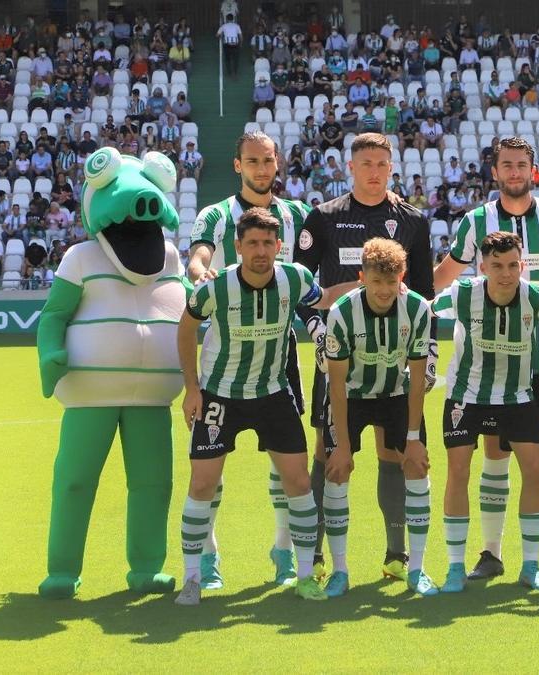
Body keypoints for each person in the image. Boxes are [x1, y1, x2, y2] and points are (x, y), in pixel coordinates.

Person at [432, 136, 539, 579]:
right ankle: (491, 552)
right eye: (506, 165)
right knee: (495, 453)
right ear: (495, 171)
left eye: (522, 164)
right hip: (489, 365)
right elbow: (444, 275)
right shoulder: (475, 221)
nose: (514, 172)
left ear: (533, 169)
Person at [175, 207, 348, 605]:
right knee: (202, 484)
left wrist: (370, 282)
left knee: (299, 483)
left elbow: (322, 299)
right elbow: (185, 330)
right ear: (237, 247)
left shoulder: (294, 277)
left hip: (272, 393)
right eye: (252, 243)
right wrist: (192, 388)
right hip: (220, 395)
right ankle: (192, 578)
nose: (260, 250)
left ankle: (304, 575)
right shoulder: (214, 288)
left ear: (278, 246)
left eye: (267, 243)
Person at [296, 132, 435, 583]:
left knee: (395, 453)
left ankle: (397, 556)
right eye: (366, 163)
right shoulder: (323, 217)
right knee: (328, 451)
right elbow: (301, 287)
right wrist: (319, 330)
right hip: (339, 356)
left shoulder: (412, 220)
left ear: (391, 167)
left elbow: (427, 296)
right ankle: (316, 557)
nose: (374, 171)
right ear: (350, 167)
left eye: (382, 163)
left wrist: (428, 352)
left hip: (396, 361)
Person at [187, 131, 314, 589]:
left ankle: (283, 550)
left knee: (286, 465)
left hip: (280, 362)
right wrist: (204, 274)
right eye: (253, 161)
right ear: (238, 165)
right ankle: (207, 557)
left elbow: (312, 277)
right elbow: (198, 257)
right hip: (222, 364)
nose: (262, 168)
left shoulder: (298, 214)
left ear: (277, 164)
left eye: (268, 160)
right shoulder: (216, 216)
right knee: (208, 468)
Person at [433, 231, 539, 592]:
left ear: (522, 265)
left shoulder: (537, 297)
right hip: (466, 397)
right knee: (458, 472)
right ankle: (455, 568)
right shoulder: (463, 295)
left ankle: (529, 566)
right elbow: (423, 307)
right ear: (482, 267)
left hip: (517, 398)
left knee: (534, 471)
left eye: (512, 265)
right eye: (497, 266)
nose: (506, 273)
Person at [322, 238, 437, 597]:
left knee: (417, 468)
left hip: (396, 394)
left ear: (402, 277)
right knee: (337, 470)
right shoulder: (341, 312)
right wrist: (341, 446)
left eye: (391, 282)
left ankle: (415, 567)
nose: (384, 290)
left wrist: (415, 439)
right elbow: (337, 387)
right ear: (362, 278)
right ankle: (340, 569)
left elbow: (418, 379)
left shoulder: (417, 310)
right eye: (376, 282)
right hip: (352, 396)